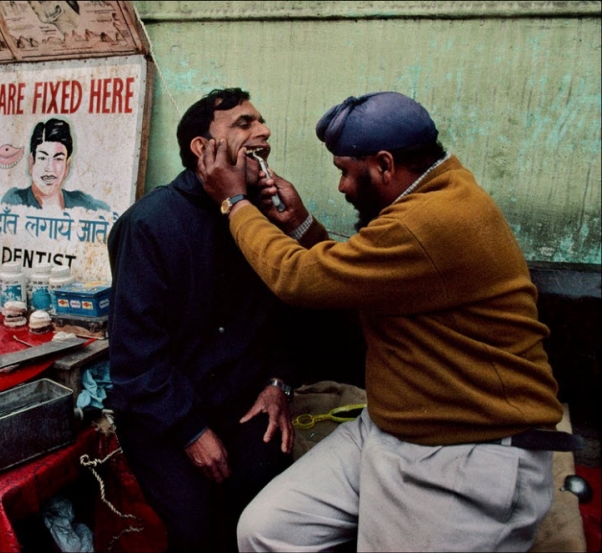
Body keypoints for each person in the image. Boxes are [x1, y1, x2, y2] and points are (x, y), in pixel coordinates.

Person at [198, 91, 568, 552]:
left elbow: (300, 279)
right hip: (390, 429)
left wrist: (236, 204)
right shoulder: (437, 189)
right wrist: (301, 227)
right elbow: (366, 272)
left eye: (347, 174)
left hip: (465, 452)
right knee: (267, 530)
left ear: (387, 166)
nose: (341, 188)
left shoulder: (431, 221)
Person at [106, 88, 301, 552]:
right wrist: (190, 429)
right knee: (195, 527)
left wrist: (279, 383)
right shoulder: (149, 225)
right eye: (244, 123)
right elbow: (136, 356)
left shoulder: (265, 216)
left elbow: (293, 312)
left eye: (262, 121)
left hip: (242, 399)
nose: (264, 131)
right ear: (202, 148)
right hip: (164, 409)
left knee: (259, 502)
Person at [1, 117, 109, 212]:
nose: (49, 168)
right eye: (42, 158)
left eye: (58, 159)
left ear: (67, 166)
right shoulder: (15, 201)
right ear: (31, 163)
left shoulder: (81, 204)